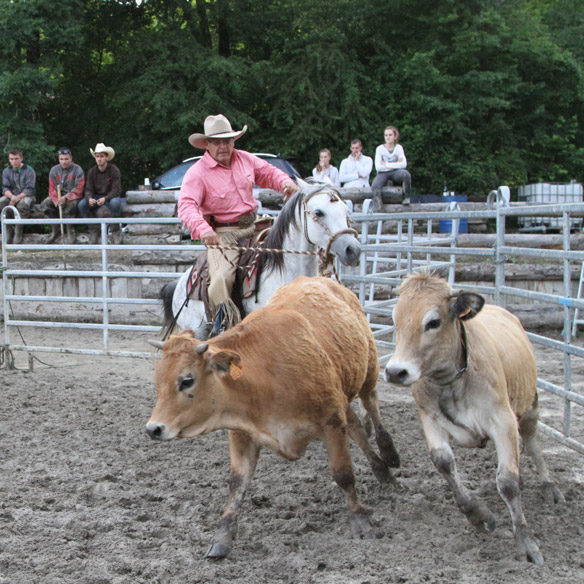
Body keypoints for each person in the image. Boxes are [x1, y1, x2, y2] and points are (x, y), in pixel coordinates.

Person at [178, 113, 299, 336]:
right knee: (222, 278)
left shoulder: (246, 159)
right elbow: (186, 206)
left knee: (292, 247)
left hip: (256, 225)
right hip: (224, 233)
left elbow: (268, 172)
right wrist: (203, 229)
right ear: (207, 144)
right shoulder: (197, 173)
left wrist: (285, 184)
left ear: (234, 140)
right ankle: (222, 328)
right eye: (217, 141)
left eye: (227, 140)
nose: (223, 146)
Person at [79, 143, 123, 244]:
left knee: (115, 204)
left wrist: (105, 199)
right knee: (82, 205)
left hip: (111, 196)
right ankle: (94, 229)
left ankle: (115, 230)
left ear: (106, 157)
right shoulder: (92, 171)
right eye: (97, 156)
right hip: (96, 196)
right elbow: (88, 189)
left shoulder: (114, 170)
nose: (99, 159)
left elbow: (116, 190)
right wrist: (89, 198)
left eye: (102, 156)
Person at [39, 147, 85, 244]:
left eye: (66, 159)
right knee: (44, 205)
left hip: (72, 197)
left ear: (71, 158)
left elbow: (79, 188)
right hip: (58, 196)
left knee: (70, 207)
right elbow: (51, 189)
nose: (64, 162)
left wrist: (66, 198)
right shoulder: (54, 170)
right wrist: (56, 200)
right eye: (61, 159)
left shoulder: (77, 170)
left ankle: (70, 230)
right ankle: (56, 229)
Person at [371, 125, 412, 210]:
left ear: (395, 136)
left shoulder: (399, 148)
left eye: (390, 135)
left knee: (406, 174)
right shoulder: (379, 149)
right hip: (383, 173)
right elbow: (378, 167)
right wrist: (396, 163)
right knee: (375, 186)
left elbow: (404, 164)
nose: (388, 137)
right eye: (386, 135)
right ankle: (378, 208)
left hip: (395, 172)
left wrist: (385, 164)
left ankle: (406, 197)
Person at [1, 148, 36, 244]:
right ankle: (8, 228)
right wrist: (12, 197)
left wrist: (17, 198)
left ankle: (18, 230)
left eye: (16, 159)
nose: (14, 161)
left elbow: (29, 189)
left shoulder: (29, 170)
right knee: (1, 202)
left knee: (23, 204)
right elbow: (5, 188)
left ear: (21, 158)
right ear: (9, 160)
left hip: (26, 196)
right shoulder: (6, 171)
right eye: (11, 159)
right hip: (12, 195)